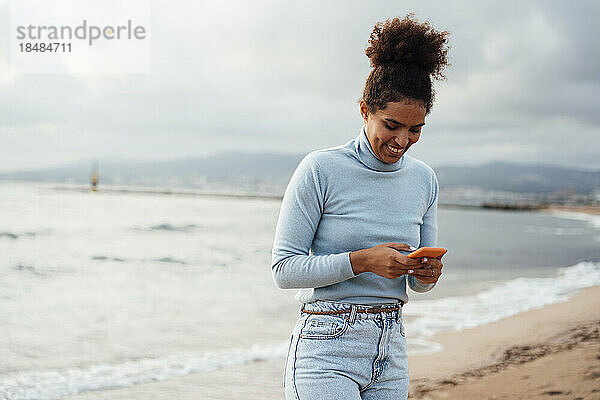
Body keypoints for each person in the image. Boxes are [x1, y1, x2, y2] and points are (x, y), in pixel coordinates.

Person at [271, 14, 450, 400]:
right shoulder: (320, 169)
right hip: (326, 346)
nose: (402, 140)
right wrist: (362, 261)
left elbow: (417, 284)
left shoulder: (425, 180)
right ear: (364, 109)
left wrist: (427, 274)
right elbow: (284, 270)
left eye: (415, 129)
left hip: (392, 347)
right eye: (391, 124)